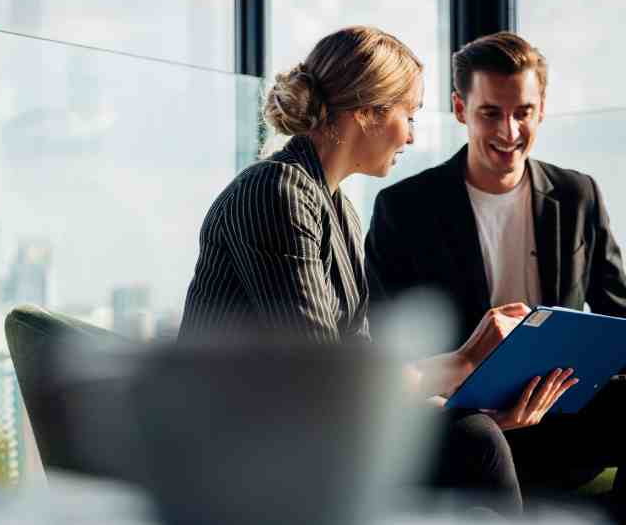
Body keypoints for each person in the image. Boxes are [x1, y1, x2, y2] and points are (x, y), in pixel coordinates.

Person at [178, 26, 577, 517]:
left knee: (474, 432)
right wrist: (466, 368)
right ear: (367, 112)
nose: (411, 134)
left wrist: (467, 385)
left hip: (311, 431)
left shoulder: (337, 208)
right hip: (243, 447)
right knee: (473, 442)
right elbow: (331, 383)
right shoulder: (276, 192)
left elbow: (361, 372)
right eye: (407, 115)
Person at [364, 31, 626, 510]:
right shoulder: (404, 209)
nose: (509, 132)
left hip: (565, 416)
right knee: (473, 437)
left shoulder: (578, 194)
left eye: (523, 112)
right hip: (469, 428)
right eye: (490, 114)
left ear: (541, 107)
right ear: (461, 109)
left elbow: (619, 312)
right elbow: (389, 348)